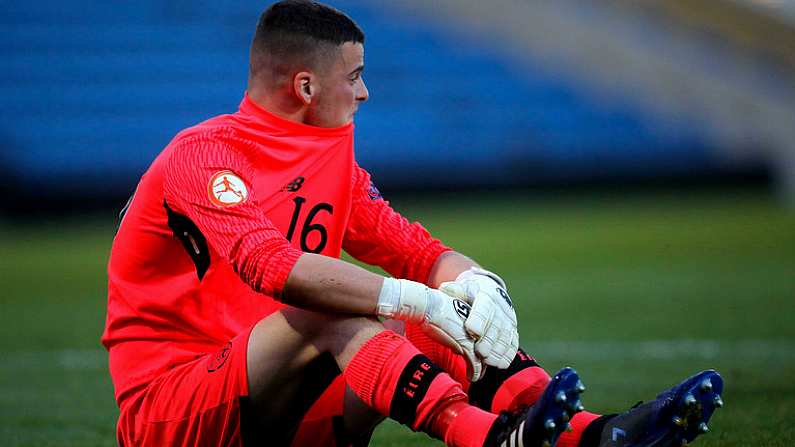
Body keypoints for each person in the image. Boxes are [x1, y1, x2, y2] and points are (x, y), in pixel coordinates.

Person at [101, 1, 723, 446]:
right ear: (306, 85)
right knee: (335, 307)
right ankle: (484, 438)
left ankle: (595, 435)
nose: (365, 92)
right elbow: (270, 267)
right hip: (176, 414)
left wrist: (478, 285)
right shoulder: (204, 155)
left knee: (435, 315)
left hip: (278, 410)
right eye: (356, 76)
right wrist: (415, 299)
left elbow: (415, 249)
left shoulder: (331, 161)